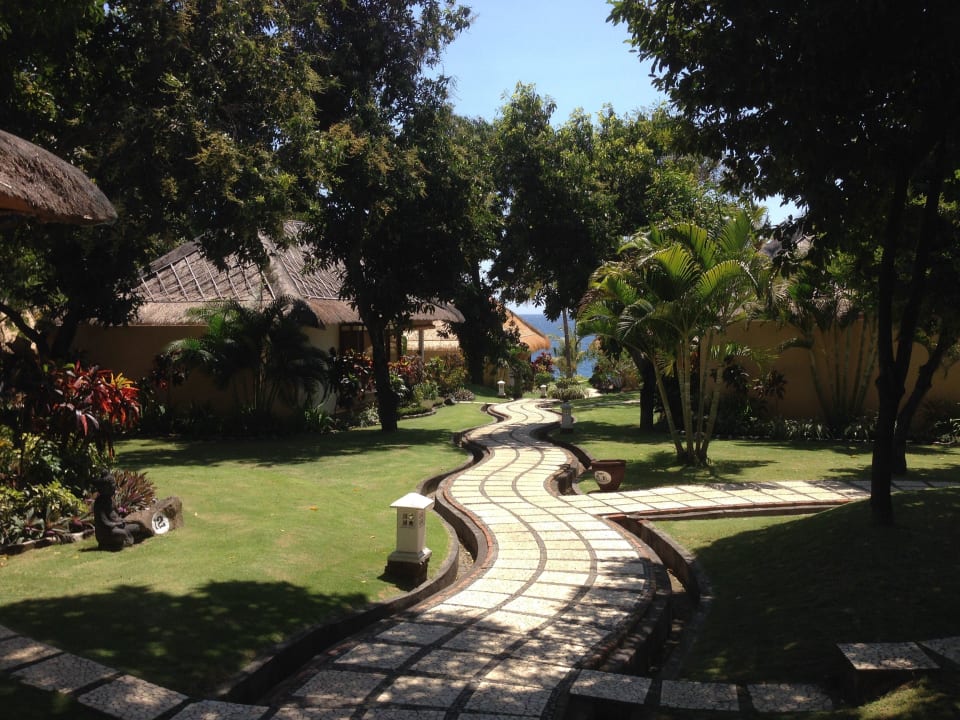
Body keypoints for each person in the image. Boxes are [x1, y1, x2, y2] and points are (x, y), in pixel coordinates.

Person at [93, 471, 150, 550]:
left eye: (113, 486)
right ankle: (112, 544)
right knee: (121, 533)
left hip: (117, 526)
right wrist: (116, 524)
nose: (113, 489)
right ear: (103, 488)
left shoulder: (110, 500)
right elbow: (104, 522)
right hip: (107, 531)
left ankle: (123, 541)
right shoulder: (99, 502)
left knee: (136, 527)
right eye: (111, 487)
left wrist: (121, 521)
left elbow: (116, 515)